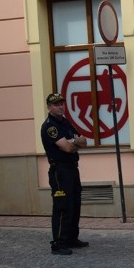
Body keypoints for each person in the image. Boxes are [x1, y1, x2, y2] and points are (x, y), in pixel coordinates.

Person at [40, 93, 89, 255]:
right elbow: (67, 147)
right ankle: (58, 242)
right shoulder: (50, 126)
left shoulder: (66, 122)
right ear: (49, 107)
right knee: (62, 206)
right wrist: (74, 142)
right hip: (59, 170)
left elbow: (84, 141)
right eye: (56, 104)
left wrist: (73, 141)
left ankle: (71, 238)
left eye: (62, 103)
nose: (60, 106)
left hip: (72, 168)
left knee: (74, 204)